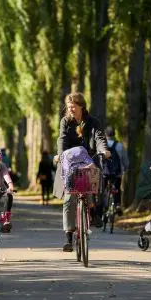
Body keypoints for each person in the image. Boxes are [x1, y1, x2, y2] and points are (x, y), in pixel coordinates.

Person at [53, 92, 111, 252]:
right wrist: (61, 155)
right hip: (71, 163)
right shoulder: (65, 122)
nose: (70, 109)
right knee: (69, 199)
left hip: (89, 161)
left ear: (81, 106)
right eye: (69, 106)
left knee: (94, 183)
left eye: (74, 106)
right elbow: (62, 139)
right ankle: (69, 237)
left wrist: (104, 150)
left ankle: (94, 211)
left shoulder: (93, 122)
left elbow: (99, 138)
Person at [103, 126, 129, 214]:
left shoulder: (102, 145)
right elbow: (125, 161)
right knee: (117, 188)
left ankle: (102, 204)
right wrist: (125, 168)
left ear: (105, 134)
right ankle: (117, 204)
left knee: (102, 189)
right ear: (114, 134)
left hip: (104, 173)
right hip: (117, 173)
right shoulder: (120, 146)